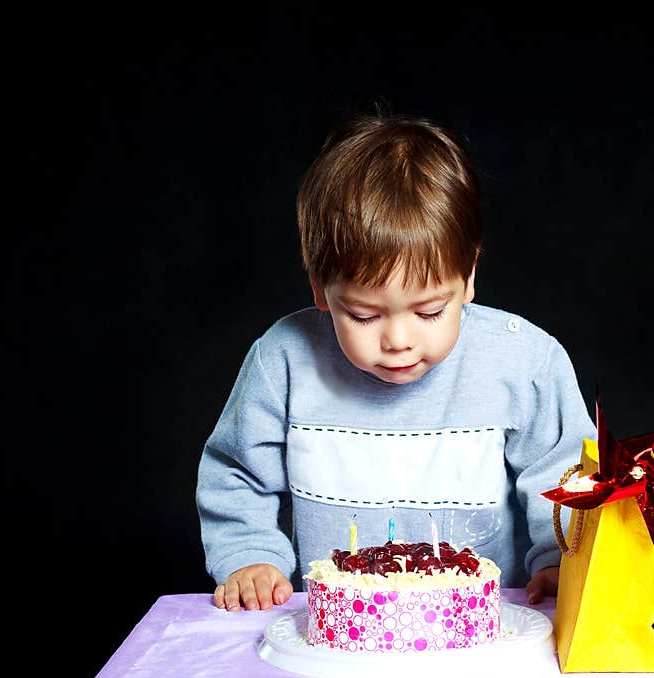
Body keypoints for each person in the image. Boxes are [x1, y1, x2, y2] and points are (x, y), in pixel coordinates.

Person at [196, 112, 596, 612]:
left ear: (468, 275)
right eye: (363, 316)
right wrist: (250, 555)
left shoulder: (525, 362)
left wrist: (562, 562)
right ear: (322, 290)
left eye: (430, 311)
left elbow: (567, 478)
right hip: (338, 639)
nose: (399, 341)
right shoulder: (283, 360)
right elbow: (237, 472)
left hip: (483, 637)